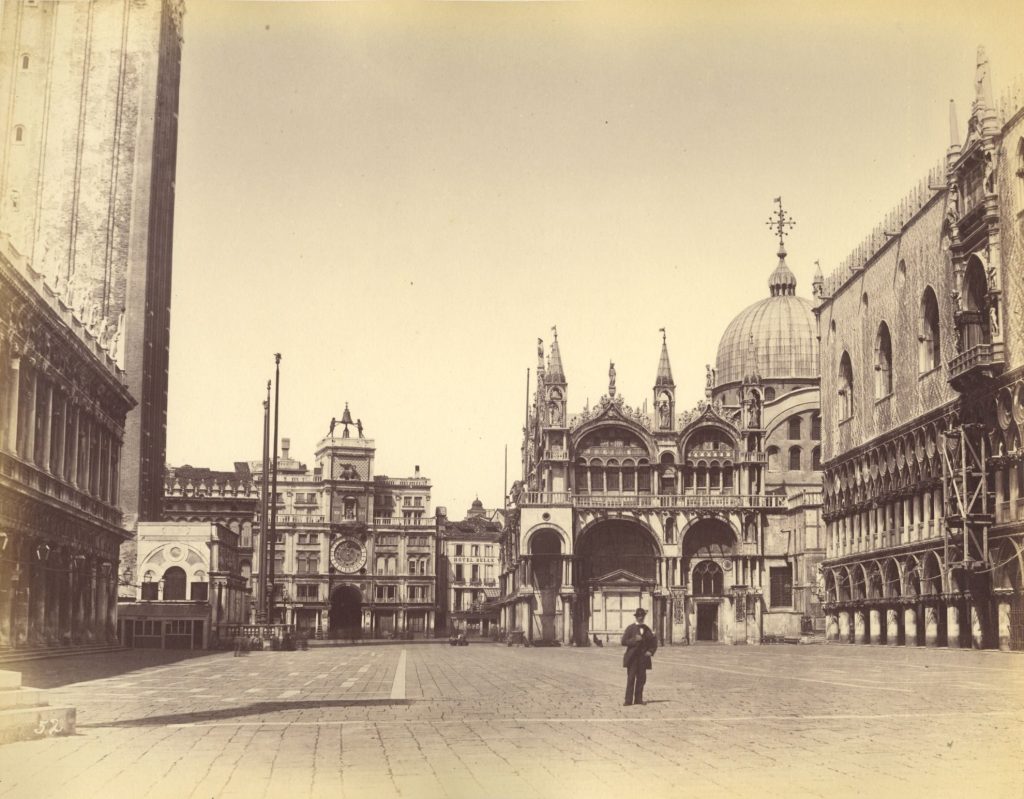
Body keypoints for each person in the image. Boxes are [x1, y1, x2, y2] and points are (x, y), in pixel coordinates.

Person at [621, 608, 657, 706]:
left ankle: (638, 699)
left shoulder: (647, 629)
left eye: (643, 616)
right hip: (632, 658)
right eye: (639, 616)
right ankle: (628, 700)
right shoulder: (630, 628)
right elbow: (623, 641)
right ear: (636, 617)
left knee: (641, 679)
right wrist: (634, 640)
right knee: (631, 678)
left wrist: (651, 651)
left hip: (643, 658)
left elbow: (653, 642)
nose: (641, 618)